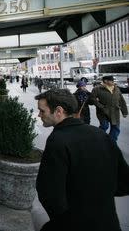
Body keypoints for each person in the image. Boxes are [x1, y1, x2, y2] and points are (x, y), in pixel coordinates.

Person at [35, 89, 129, 231]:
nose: (39, 115)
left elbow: (50, 194)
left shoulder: (57, 141)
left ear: (58, 111)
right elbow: (125, 183)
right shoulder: (100, 134)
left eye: (42, 111)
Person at [92, 75, 128, 142]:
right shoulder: (97, 89)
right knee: (104, 126)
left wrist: (124, 112)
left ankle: (111, 142)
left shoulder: (116, 89)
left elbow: (121, 101)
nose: (113, 82)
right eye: (112, 81)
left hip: (115, 112)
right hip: (103, 112)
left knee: (116, 128)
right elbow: (92, 99)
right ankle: (99, 140)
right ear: (106, 81)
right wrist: (101, 106)